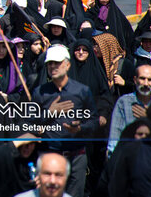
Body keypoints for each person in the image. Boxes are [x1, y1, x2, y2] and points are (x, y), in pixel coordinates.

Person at [31, 45, 98, 197]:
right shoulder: (40, 92)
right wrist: (49, 113)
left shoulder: (82, 91)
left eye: (57, 63)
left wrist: (79, 128)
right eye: (50, 63)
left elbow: (94, 121)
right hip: (50, 154)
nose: (53, 66)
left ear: (67, 64)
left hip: (76, 157)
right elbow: (29, 122)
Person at [107, 63, 151, 155]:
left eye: (150, 80)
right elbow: (115, 135)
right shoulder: (124, 102)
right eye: (142, 78)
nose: (146, 84)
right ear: (135, 80)